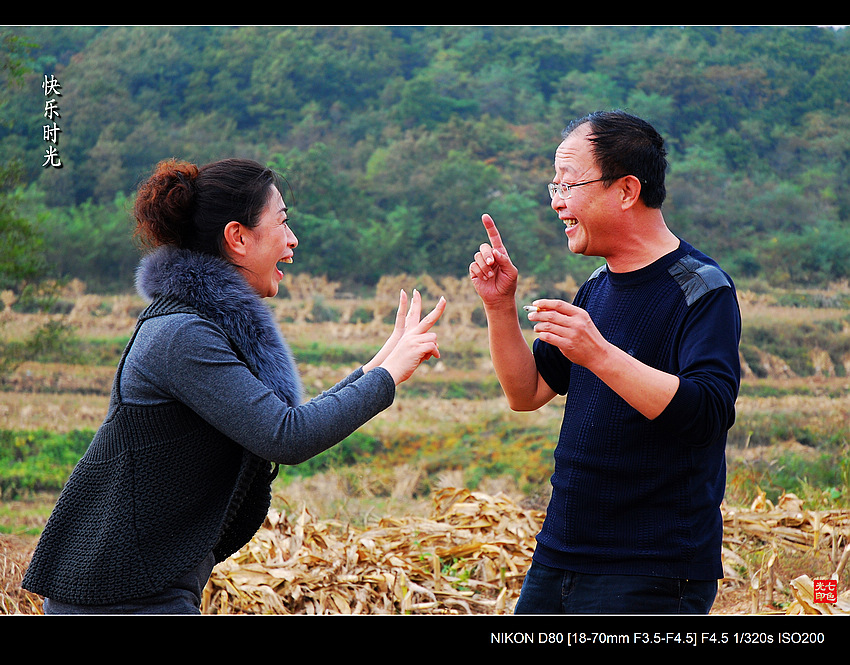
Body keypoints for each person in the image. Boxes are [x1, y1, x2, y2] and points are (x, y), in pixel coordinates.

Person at [23, 157, 446, 614]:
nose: (292, 240)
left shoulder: (199, 325)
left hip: (138, 585)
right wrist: (388, 375)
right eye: (282, 223)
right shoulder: (182, 336)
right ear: (237, 238)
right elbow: (286, 434)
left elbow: (275, 419)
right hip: (119, 594)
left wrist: (382, 360)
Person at [469, 111, 741, 614]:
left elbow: (708, 413)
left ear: (626, 190)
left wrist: (598, 353)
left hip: (652, 570)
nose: (556, 200)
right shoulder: (594, 288)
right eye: (554, 184)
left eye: (568, 183)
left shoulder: (703, 289)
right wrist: (499, 305)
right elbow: (525, 394)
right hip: (560, 555)